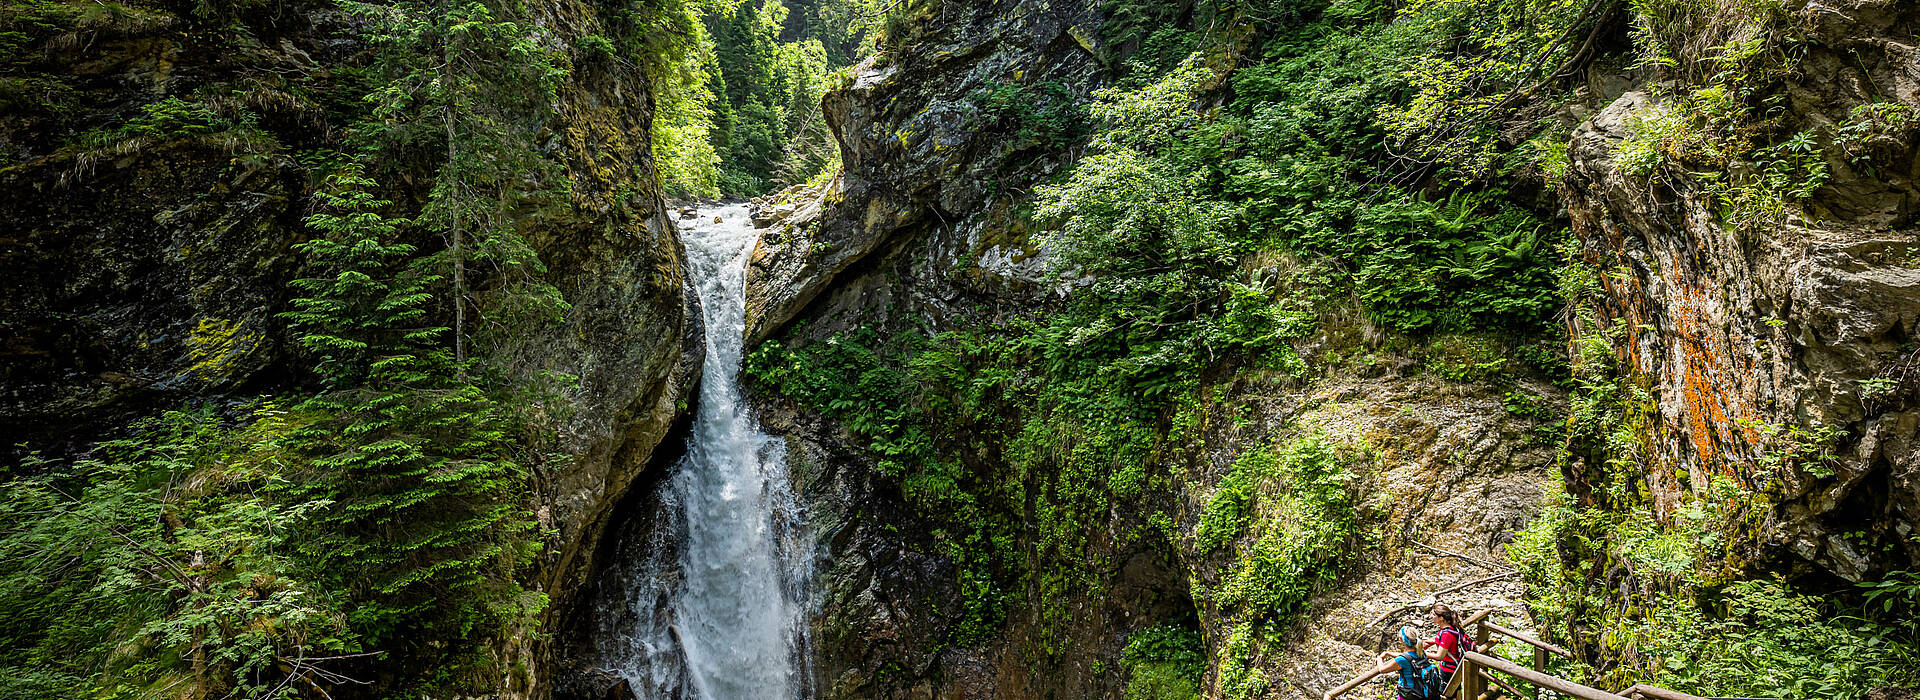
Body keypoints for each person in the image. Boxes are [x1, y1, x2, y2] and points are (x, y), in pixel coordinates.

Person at [1366, 626, 1442, 700]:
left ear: (1402, 640)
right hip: (1423, 691)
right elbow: (1408, 656)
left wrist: (1380, 658)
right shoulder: (1421, 652)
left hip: (1410, 693)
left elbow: (1382, 669)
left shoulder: (1401, 660)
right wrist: (1389, 653)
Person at [1423, 604, 1471, 687]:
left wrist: (1421, 653)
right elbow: (1447, 643)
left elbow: (1439, 656)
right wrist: (1434, 641)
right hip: (1451, 667)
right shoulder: (1450, 628)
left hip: (1448, 670)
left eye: (1434, 615)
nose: (1431, 617)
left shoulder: (1446, 634)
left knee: (1447, 694)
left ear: (1441, 618)